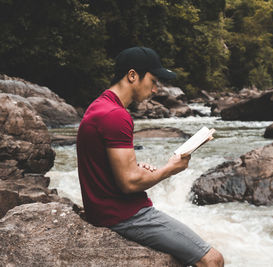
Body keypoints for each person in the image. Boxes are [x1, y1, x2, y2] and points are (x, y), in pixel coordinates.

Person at [76, 46, 224, 267]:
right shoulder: (116, 116)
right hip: (124, 215)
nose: (156, 89)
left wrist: (134, 166)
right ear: (132, 76)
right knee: (213, 260)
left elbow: (105, 165)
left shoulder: (99, 106)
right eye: (153, 81)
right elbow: (128, 183)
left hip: (103, 210)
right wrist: (169, 169)